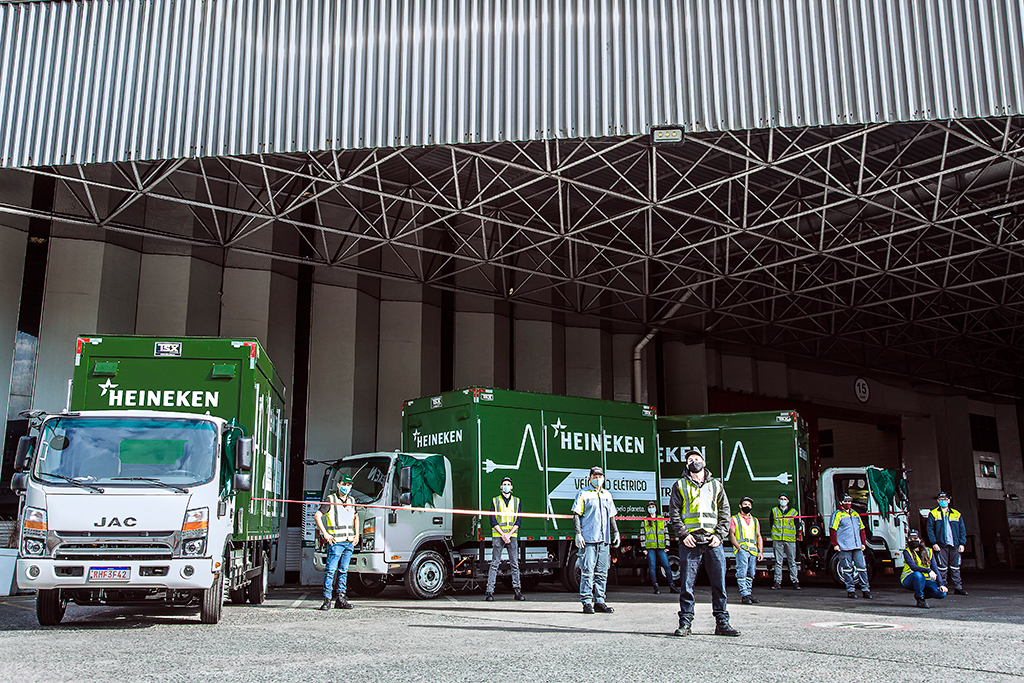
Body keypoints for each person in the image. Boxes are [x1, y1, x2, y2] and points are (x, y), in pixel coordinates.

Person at [668, 449, 739, 637]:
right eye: (690, 460)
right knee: (686, 585)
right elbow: (674, 513)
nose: (694, 462)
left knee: (719, 584)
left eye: (697, 459)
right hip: (690, 542)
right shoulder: (680, 486)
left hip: (713, 542)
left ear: (704, 462)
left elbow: (725, 513)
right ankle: (685, 623)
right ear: (686, 465)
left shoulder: (716, 486)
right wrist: (683, 535)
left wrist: (719, 535)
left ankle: (722, 622)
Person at [572, 466, 620, 614]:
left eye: (600, 476)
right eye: (595, 476)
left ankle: (600, 600)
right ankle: (586, 602)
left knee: (602, 572)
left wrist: (616, 532)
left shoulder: (607, 495)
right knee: (587, 571)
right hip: (589, 539)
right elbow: (576, 515)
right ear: (590, 478)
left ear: (604, 478)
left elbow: (611, 516)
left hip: (604, 539)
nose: (597, 479)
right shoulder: (583, 494)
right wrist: (578, 533)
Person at [314, 474, 360, 610]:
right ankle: (327, 599)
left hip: (349, 542)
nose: (346, 487)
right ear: (338, 485)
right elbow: (317, 516)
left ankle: (341, 598)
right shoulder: (331, 500)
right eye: (344, 485)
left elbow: (356, 517)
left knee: (343, 571)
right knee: (330, 570)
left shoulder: (352, 500)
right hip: (336, 542)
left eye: (349, 485)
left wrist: (356, 535)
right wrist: (326, 534)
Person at [485, 476, 524, 601]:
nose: (506, 486)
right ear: (501, 487)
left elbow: (518, 521)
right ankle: (490, 592)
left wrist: (508, 534)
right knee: (495, 564)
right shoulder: (495, 501)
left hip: (511, 536)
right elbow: (492, 520)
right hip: (499, 536)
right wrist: (503, 534)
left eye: (508, 484)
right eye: (504, 484)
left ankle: (517, 591)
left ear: (511, 487)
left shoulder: (517, 501)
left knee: (514, 564)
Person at [926, 491, 968, 595]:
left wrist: (962, 543)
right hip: (941, 545)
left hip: (955, 545)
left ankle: (958, 587)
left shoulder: (956, 514)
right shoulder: (933, 513)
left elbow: (962, 530)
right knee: (942, 567)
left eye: (944, 500)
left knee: (956, 567)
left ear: (949, 501)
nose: (942, 502)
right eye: (940, 500)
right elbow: (929, 529)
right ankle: (942, 586)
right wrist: (934, 543)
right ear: (937, 501)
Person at [830, 493, 871, 599]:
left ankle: (865, 590)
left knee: (862, 568)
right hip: (844, 546)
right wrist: (835, 544)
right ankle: (851, 590)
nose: (848, 503)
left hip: (857, 545)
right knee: (847, 569)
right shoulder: (837, 515)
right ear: (841, 502)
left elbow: (861, 529)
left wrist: (863, 543)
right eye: (846, 501)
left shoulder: (855, 514)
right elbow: (832, 530)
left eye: (849, 501)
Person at [901, 529, 947, 608]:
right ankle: (920, 599)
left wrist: (941, 584)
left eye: (915, 539)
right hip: (909, 579)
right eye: (910, 539)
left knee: (941, 593)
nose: (913, 541)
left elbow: (935, 568)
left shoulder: (929, 551)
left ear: (920, 540)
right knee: (918, 575)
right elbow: (913, 567)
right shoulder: (907, 552)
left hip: (925, 579)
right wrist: (928, 570)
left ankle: (921, 594)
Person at [729, 496, 763, 605]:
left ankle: (748, 593)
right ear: (740, 506)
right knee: (742, 572)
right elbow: (732, 534)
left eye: (748, 504)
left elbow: (758, 536)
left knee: (751, 573)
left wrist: (760, 551)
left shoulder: (755, 520)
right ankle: (744, 594)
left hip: (753, 550)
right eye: (745, 504)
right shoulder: (735, 519)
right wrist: (738, 547)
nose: (747, 506)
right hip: (742, 549)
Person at [642, 500, 676, 594]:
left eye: (653, 507)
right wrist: (644, 548)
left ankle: (672, 586)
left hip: (661, 547)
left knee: (667, 566)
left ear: (656, 508)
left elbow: (666, 532)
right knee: (652, 567)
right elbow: (642, 534)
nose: (651, 509)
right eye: (650, 507)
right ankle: (655, 587)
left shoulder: (661, 519)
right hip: (650, 547)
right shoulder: (645, 520)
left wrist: (667, 545)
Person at [770, 494, 801, 590]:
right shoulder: (774, 511)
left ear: (788, 501)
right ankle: (777, 582)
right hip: (777, 539)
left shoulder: (794, 512)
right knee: (778, 562)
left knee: (792, 561)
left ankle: (795, 581)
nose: (783, 500)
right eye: (781, 499)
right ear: (778, 500)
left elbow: (797, 525)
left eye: (785, 499)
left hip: (790, 540)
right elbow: (771, 523)